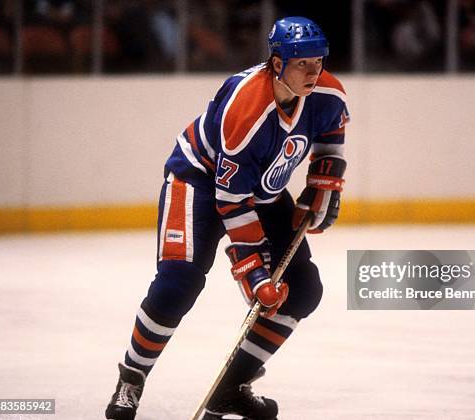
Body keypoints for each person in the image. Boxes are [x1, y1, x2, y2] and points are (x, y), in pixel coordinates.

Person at [105, 16, 350, 420]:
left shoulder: (329, 94)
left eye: (318, 62)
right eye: (302, 63)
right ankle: (131, 377)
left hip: (260, 187)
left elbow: (331, 141)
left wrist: (323, 186)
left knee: (303, 289)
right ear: (276, 63)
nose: (313, 71)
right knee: (178, 282)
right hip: (199, 181)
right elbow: (231, 201)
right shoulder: (246, 110)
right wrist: (253, 274)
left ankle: (231, 389)